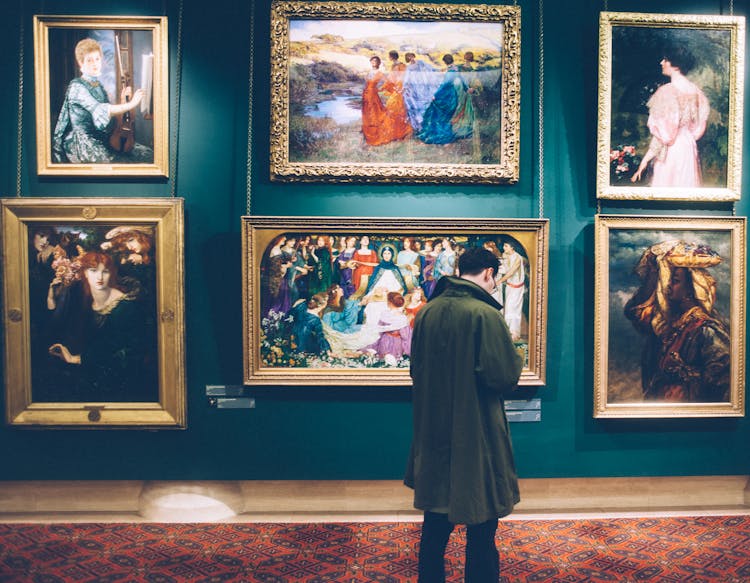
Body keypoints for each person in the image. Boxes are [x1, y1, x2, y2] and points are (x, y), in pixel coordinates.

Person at [405, 247, 523, 583]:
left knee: (434, 526)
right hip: (476, 432)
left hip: (433, 430)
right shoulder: (484, 315)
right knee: (482, 529)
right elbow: (502, 376)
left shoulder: (427, 312)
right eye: (496, 276)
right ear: (488, 273)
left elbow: (416, 370)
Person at [623, 240, 730, 402]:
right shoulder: (670, 325)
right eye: (669, 280)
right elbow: (635, 312)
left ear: (691, 288)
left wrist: (685, 375)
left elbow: (722, 379)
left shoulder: (706, 329)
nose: (668, 286)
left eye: (675, 281)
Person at [46, 251, 157, 402]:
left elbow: (129, 353)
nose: (99, 277)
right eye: (93, 271)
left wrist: (77, 359)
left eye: (105, 272)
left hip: (119, 382)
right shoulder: (84, 301)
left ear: (111, 274)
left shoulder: (124, 307)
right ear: (84, 273)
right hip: (90, 375)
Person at [52, 38, 152, 164]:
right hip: (84, 143)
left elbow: (110, 120)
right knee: (122, 163)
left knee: (147, 154)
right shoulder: (76, 87)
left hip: (104, 138)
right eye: (89, 60)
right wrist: (131, 104)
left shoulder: (98, 86)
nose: (95, 63)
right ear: (80, 63)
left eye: (97, 59)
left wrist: (123, 101)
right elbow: (101, 109)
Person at [630, 47, 710, 187]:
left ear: (676, 65)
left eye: (666, 59)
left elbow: (666, 135)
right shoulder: (695, 91)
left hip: (672, 151)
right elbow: (698, 127)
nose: (662, 62)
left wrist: (646, 159)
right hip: (688, 146)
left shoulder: (667, 92)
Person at [417, 54, 471, 145]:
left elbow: (444, 85)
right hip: (451, 95)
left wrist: (435, 95)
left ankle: (444, 136)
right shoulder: (456, 69)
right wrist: (467, 89)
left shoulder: (451, 72)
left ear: (445, 62)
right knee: (444, 116)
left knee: (440, 114)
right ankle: (444, 133)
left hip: (446, 96)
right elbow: (462, 80)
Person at [402, 52, 440, 133]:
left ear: (413, 56)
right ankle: (421, 126)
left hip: (424, 84)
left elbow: (430, 68)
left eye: (411, 56)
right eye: (408, 57)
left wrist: (436, 70)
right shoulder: (408, 68)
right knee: (418, 105)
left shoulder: (421, 62)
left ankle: (428, 123)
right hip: (415, 87)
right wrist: (405, 87)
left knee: (427, 102)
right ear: (407, 59)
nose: (411, 58)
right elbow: (406, 78)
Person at [497, 241, 525, 341]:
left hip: (517, 287)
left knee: (514, 309)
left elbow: (511, 272)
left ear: (512, 247)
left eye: (506, 246)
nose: (504, 248)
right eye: (504, 246)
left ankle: (514, 333)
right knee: (508, 308)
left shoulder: (518, 257)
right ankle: (507, 331)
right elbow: (505, 269)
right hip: (509, 286)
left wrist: (499, 281)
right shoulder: (505, 255)